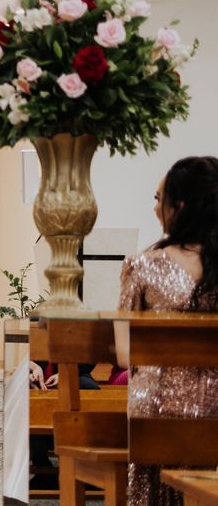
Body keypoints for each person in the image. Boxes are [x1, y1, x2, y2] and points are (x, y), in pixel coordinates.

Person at [112, 156, 218, 506]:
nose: (155, 207)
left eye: (159, 198)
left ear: (180, 206)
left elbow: (126, 354)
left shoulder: (142, 265)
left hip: (156, 410)